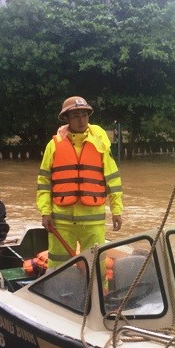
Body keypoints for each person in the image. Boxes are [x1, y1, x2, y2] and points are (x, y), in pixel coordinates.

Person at [36, 96, 123, 268]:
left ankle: (97, 295)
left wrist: (116, 210)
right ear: (66, 119)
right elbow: (44, 182)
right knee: (58, 267)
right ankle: (58, 295)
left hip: (93, 222)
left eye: (85, 115)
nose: (81, 120)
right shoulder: (53, 146)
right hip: (61, 222)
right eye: (76, 116)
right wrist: (45, 212)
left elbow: (112, 179)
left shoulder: (100, 144)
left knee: (96, 267)